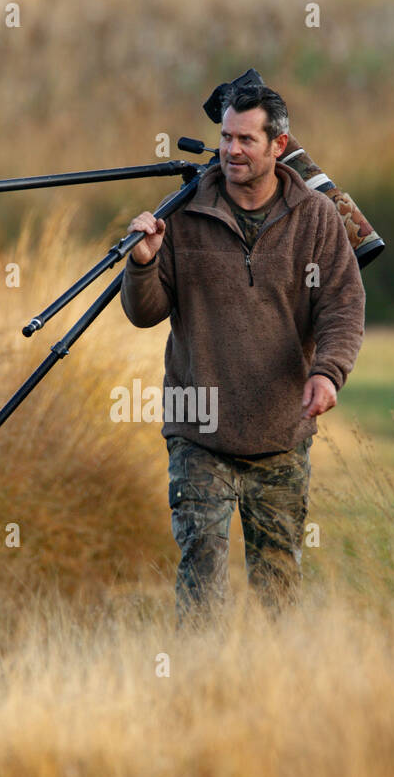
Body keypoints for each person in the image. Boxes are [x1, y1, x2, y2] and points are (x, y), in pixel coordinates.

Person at [120, 81, 365, 628]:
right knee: (200, 575)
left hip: (280, 429)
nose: (232, 149)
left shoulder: (317, 218)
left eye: (246, 139)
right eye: (226, 137)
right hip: (197, 426)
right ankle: (197, 691)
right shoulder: (184, 213)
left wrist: (328, 374)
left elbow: (343, 307)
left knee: (277, 586)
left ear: (278, 145)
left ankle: (272, 696)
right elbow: (145, 312)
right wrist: (141, 264)